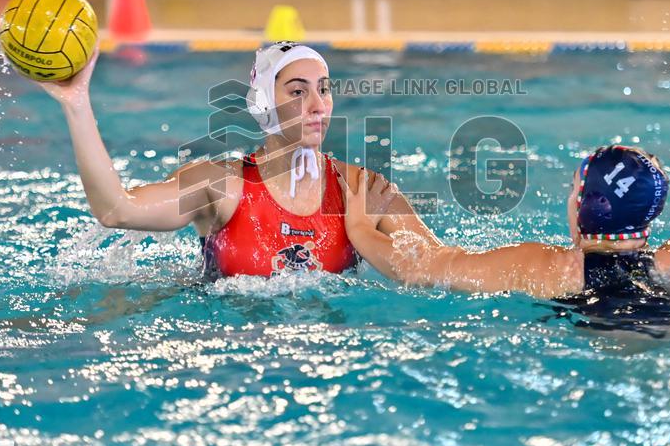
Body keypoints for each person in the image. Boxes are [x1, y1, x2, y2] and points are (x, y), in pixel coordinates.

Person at [341, 0, 670, 300]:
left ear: (579, 203)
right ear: (653, 210)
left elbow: (424, 269)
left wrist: (363, 228)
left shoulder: (545, 270)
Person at [38, 41, 433, 279]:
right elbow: (116, 210)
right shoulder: (219, 186)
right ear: (263, 104)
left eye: (324, 90)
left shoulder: (363, 193)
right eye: (298, 92)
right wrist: (76, 105)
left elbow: (439, 268)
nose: (317, 106)